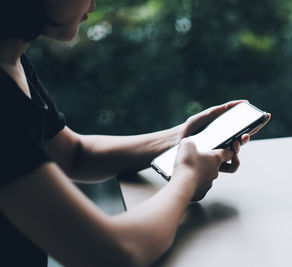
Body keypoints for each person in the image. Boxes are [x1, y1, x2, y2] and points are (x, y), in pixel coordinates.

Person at [0, 0, 268, 266]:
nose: (93, 4)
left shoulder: (12, 57)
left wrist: (179, 137)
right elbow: (114, 253)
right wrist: (187, 178)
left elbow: (73, 154)